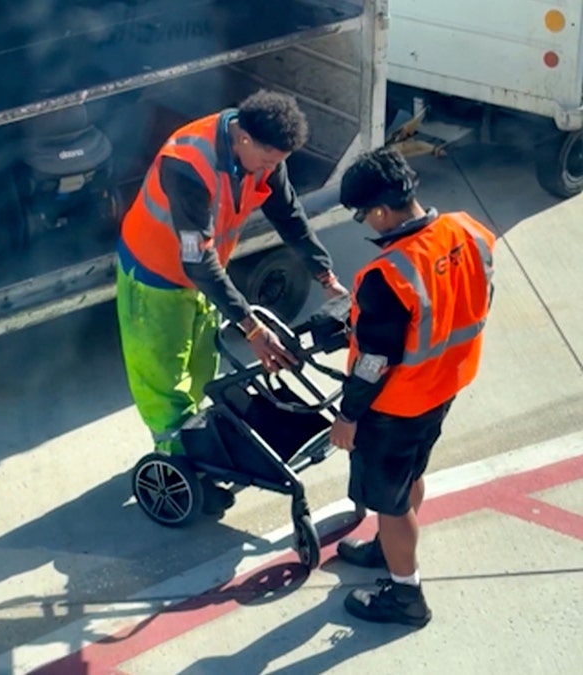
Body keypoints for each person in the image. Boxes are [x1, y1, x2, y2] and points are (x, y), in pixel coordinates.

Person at [115, 89, 348, 512]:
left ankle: (198, 437)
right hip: (156, 278)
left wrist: (325, 274)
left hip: (203, 276)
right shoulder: (188, 165)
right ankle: (178, 464)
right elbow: (196, 260)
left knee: (203, 364)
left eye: (279, 161)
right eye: (268, 159)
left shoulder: (263, 155)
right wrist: (254, 330)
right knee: (164, 379)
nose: (272, 169)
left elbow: (289, 215)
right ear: (243, 138)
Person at [331, 147, 495, 627]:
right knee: (408, 476)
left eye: (364, 215)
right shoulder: (468, 230)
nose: (367, 223)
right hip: (446, 383)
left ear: (381, 211)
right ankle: (387, 547)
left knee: (390, 499)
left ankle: (405, 596)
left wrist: (348, 417)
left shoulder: (388, 276)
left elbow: (374, 363)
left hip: (397, 405)